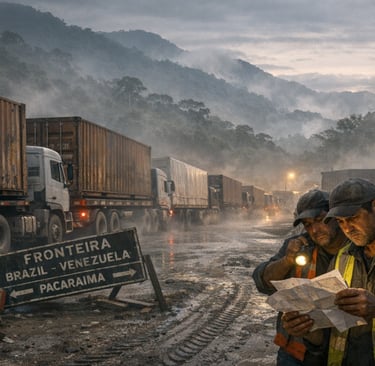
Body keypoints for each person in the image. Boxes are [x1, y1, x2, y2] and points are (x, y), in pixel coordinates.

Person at [252, 189, 349, 365]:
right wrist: (288, 261)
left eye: (320, 220)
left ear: (336, 216)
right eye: (307, 224)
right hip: (297, 353)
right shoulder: (300, 246)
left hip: (346, 351)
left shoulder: (357, 247)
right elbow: (262, 281)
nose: (314, 230)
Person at [318, 177, 375, 366]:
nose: (347, 229)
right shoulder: (343, 257)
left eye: (352, 218)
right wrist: (305, 324)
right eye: (341, 222)